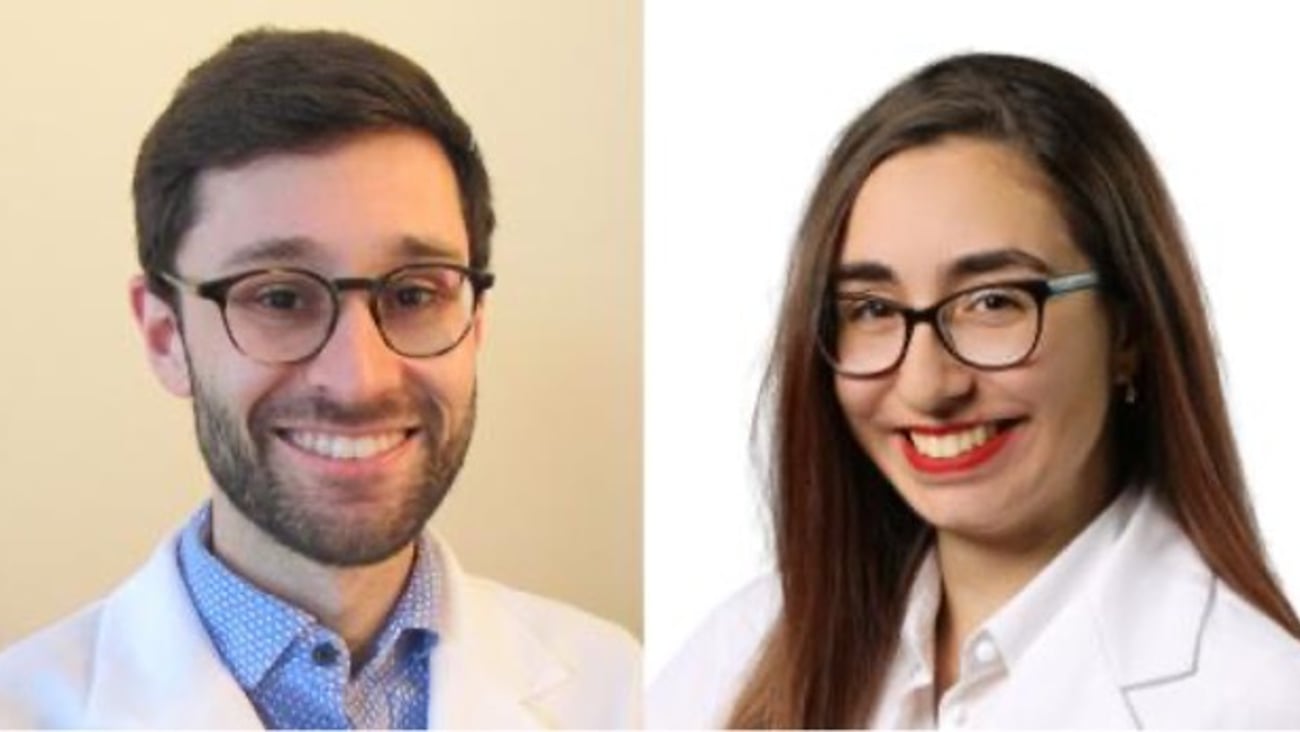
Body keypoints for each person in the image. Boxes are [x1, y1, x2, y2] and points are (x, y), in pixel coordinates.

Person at [0, 28, 639, 729]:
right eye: (279, 297)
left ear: (476, 320)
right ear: (165, 336)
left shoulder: (632, 691)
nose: (360, 379)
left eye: (415, 293)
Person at [649, 52, 1300, 728]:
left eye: (993, 302)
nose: (929, 385)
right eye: (871, 308)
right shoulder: (739, 652)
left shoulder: (1255, 701)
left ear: (1127, 331)